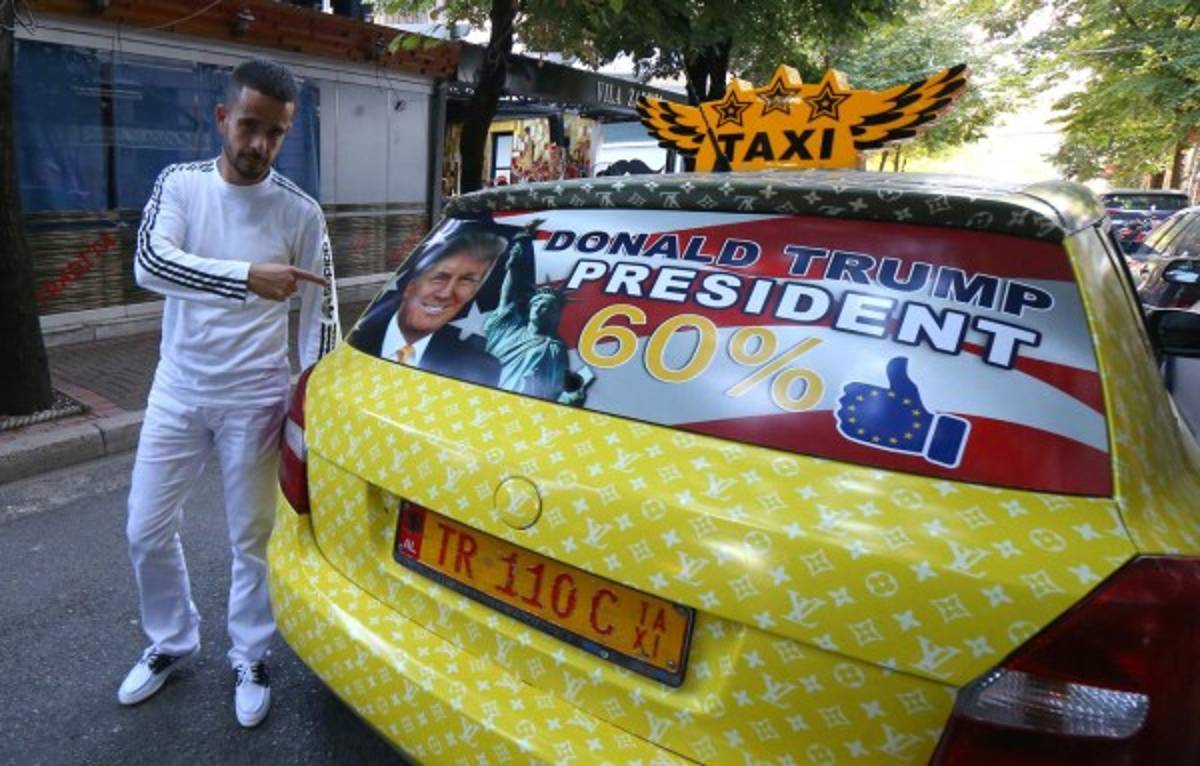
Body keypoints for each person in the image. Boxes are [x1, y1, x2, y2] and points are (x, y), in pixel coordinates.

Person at [118, 59, 340, 728]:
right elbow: (149, 264)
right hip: (178, 388)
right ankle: (171, 639)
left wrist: (313, 404)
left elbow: (321, 317)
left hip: (256, 395)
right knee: (145, 527)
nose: (259, 144)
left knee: (252, 537)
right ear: (222, 118)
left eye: (276, 133)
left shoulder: (301, 211)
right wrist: (246, 276)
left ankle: (250, 654)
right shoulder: (180, 185)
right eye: (249, 126)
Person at [350, 231, 505, 387]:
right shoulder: (357, 339)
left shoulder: (481, 370)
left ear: (473, 293)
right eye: (439, 277)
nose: (446, 293)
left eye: (466, 281)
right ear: (410, 285)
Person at [484, 222, 586, 405]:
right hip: (481, 399)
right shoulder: (507, 332)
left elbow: (553, 391)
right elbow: (507, 298)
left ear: (556, 316)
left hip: (521, 411)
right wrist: (520, 252)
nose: (539, 308)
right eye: (536, 303)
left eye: (547, 306)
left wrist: (570, 398)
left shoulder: (554, 349)